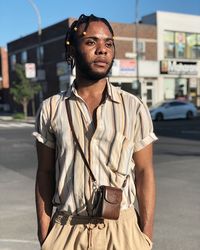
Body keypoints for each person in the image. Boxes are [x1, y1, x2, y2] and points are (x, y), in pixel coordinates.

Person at [33, 14, 158, 250]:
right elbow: (45, 172)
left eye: (108, 43)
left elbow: (144, 172)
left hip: (122, 231)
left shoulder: (133, 107)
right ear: (71, 51)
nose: (102, 50)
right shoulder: (51, 109)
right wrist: (45, 230)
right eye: (91, 42)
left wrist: (145, 235)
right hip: (67, 230)